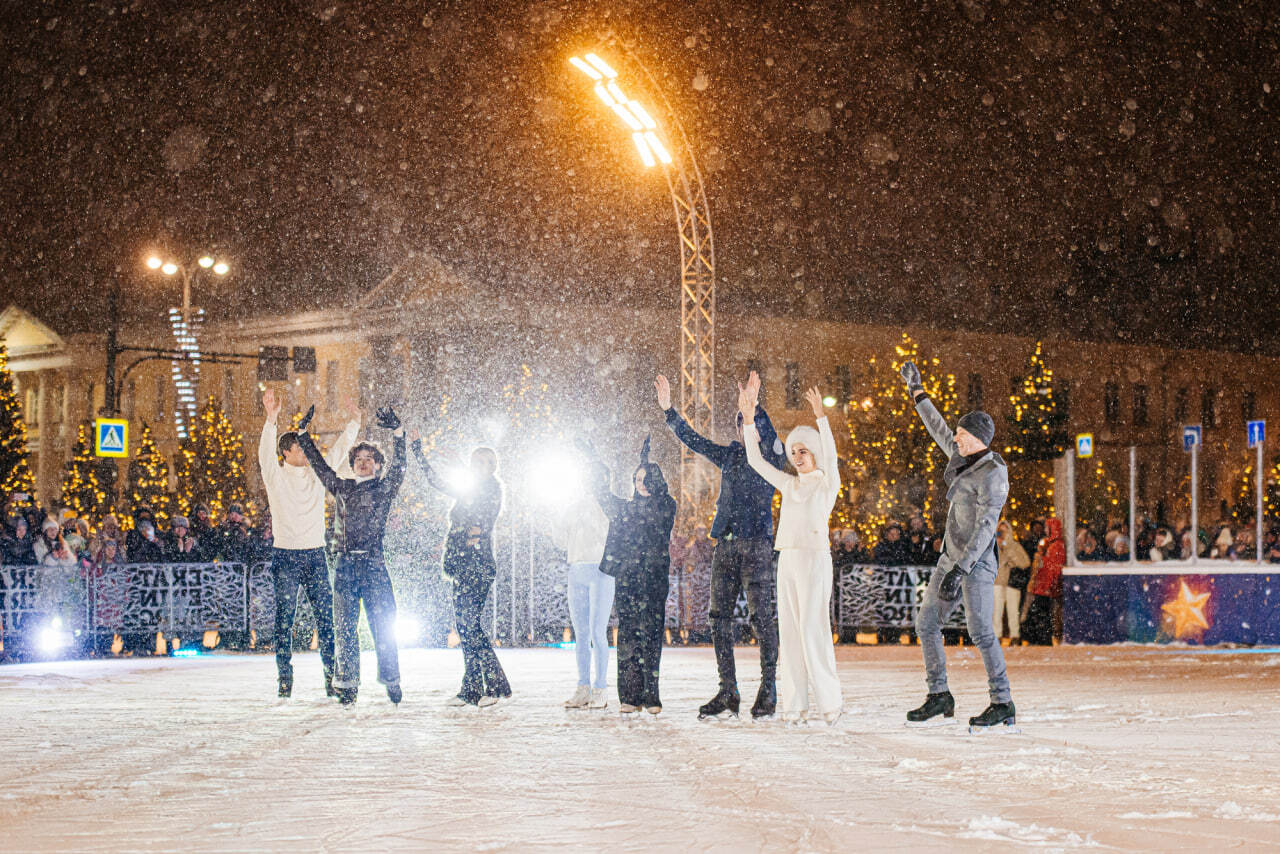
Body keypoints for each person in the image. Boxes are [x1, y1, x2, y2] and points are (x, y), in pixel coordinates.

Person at [655, 373, 785, 720]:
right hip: (725, 545)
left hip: (756, 545)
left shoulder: (772, 455)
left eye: (749, 423)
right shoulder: (731, 455)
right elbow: (695, 442)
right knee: (718, 619)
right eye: (740, 422)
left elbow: (770, 439)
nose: (743, 428)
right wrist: (669, 411)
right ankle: (728, 690)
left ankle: (768, 688)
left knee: (761, 618)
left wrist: (753, 409)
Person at [900, 359, 1015, 730]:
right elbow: (938, 426)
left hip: (976, 564)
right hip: (950, 558)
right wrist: (917, 391)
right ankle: (939, 695)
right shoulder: (962, 456)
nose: (956, 438)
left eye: (963, 434)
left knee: (981, 631)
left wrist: (961, 569)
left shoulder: (993, 472)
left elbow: (986, 527)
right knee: (926, 624)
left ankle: (1002, 702)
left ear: (979, 438)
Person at [739, 373, 843, 725]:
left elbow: (832, 459)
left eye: (804, 451)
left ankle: (830, 702)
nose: (797, 457)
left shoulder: (826, 485)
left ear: (815, 454)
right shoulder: (789, 484)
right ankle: (796, 705)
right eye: (794, 451)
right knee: (791, 633)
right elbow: (756, 462)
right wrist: (749, 421)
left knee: (813, 629)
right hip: (788, 560)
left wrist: (821, 418)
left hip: (814, 560)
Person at [298, 404, 406, 706]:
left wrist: (398, 433)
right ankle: (347, 683)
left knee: (383, 625)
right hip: (345, 565)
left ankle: (391, 679)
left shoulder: (383, 489)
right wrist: (303, 435)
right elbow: (320, 467)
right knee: (345, 627)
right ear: (352, 464)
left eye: (369, 459)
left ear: (378, 466)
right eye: (358, 459)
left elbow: (400, 468)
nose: (363, 463)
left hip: (373, 564)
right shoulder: (342, 487)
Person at [259, 390, 359, 699]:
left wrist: (354, 422)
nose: (306, 452)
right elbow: (264, 455)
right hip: (286, 556)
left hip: (315, 554)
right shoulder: (276, 477)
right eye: (300, 448)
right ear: (286, 453)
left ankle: (331, 678)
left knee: (326, 621)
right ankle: (284, 679)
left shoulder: (317, 475)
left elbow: (338, 453)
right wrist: (271, 419)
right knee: (284, 621)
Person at [413, 438, 510, 708]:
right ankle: (478, 687)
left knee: (469, 626)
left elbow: (482, 521)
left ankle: (489, 686)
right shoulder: (470, 489)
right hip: (462, 565)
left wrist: (471, 537)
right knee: (466, 627)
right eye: (474, 461)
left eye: (484, 462)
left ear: (492, 466)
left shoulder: (491, 489)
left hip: (477, 565)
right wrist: (418, 452)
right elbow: (437, 482)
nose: (477, 466)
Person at [587, 436, 677, 715]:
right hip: (628, 580)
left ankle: (651, 696)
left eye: (645, 479)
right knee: (627, 635)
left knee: (651, 635)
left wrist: (644, 462)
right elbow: (602, 494)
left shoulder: (666, 505)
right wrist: (593, 460)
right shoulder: (626, 508)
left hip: (653, 581)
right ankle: (629, 696)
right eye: (637, 480)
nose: (641, 484)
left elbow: (653, 515)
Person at [549, 463, 613, 710]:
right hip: (576, 570)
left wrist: (592, 514)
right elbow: (561, 541)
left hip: (601, 570)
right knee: (582, 633)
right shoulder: (573, 506)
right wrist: (555, 519)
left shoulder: (609, 506)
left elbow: (608, 537)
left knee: (598, 632)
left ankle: (600, 687)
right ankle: (583, 686)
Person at [1022, 518, 1065, 646]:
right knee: (1040, 613)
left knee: (1040, 613)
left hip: (1045, 586)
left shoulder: (1056, 545)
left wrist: (1048, 585)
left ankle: (1041, 640)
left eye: (1047, 527)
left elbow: (1054, 568)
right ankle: (1039, 639)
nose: (1045, 530)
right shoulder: (1052, 544)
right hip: (1043, 586)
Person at [994, 520, 1029, 645]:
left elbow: (1025, 563)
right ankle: (996, 635)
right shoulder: (993, 546)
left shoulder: (1015, 546)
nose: (1003, 534)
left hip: (1012, 583)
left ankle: (1015, 635)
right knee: (996, 611)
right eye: (1000, 531)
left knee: (1013, 610)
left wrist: (1010, 552)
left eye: (1005, 531)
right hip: (997, 582)